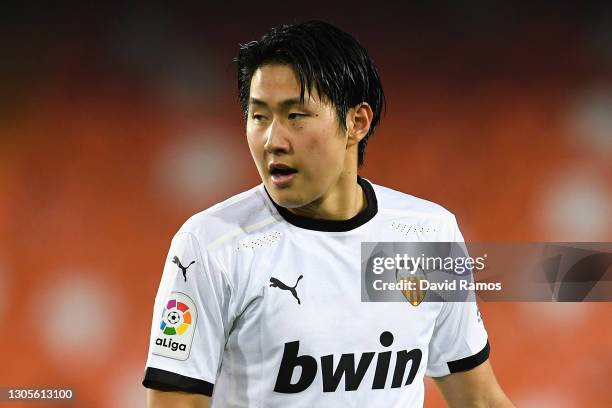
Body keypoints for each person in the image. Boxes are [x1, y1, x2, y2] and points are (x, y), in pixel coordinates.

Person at [143, 21, 514, 407]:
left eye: (295, 116)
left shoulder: (425, 235)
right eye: (259, 116)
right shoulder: (213, 244)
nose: (273, 140)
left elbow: (480, 400)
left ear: (357, 122)